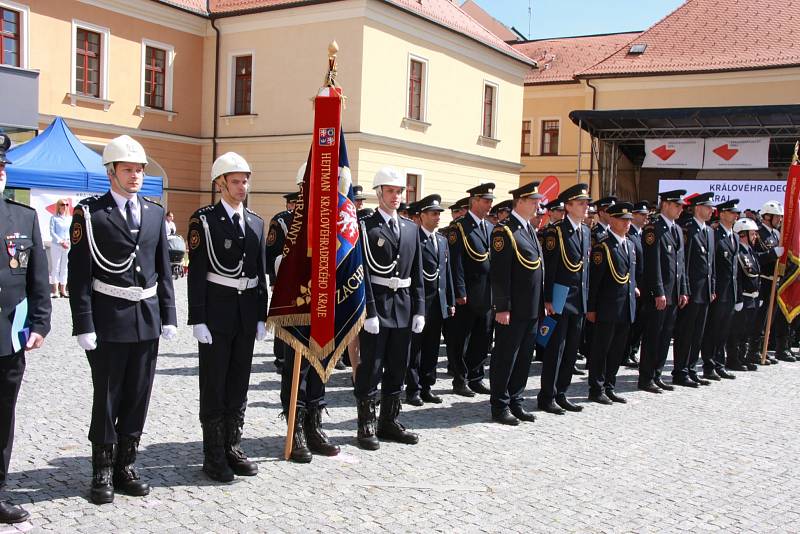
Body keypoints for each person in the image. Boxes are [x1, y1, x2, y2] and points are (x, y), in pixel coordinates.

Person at [68, 135, 177, 505]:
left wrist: (169, 314)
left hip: (146, 317)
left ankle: (126, 465)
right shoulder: (91, 215)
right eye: (128, 169)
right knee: (109, 395)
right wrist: (83, 323)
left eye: (140, 170)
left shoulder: (154, 212)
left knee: (138, 395)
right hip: (109, 318)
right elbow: (79, 275)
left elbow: (163, 267)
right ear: (111, 172)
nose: (135, 176)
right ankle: (101, 469)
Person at [187, 152, 268, 481]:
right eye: (235, 181)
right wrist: (198, 318)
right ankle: (213, 453)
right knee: (214, 384)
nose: (242, 186)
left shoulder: (256, 222)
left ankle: (233, 445)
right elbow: (197, 273)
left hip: (246, 313)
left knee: (238, 383)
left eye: (245, 180)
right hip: (217, 313)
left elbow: (260, 272)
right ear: (220, 184)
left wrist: (261, 315)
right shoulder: (204, 220)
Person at [0, 134, 51, 524]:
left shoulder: (23, 217)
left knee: (3, 415)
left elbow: (38, 279)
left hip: (8, 336)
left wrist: (40, 324)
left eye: (2, 167)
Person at [355, 167, 425, 450]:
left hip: (404, 306)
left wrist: (419, 309)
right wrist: (369, 311)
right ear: (379, 193)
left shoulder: (410, 228)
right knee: (371, 367)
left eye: (399, 192)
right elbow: (362, 271)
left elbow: (418, 272)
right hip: (379, 306)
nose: (396, 196)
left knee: (399, 365)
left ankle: (389, 421)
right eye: (390, 191)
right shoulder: (367, 226)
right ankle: (366, 425)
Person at [489, 182, 544, 425]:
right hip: (512, 309)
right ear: (520, 201)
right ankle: (500, 405)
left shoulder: (529, 229)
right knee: (505, 357)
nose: (537, 205)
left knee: (524, 358)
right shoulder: (504, 230)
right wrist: (502, 307)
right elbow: (500, 273)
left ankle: (516, 400)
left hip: (531, 307)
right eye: (533, 201)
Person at [537, 184, 591, 415]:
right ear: (568, 206)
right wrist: (548, 299)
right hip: (560, 297)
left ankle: (562, 392)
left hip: (578, 299)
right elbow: (549, 267)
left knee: (571, 350)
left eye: (586, 203)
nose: (585, 206)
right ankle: (547, 395)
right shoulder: (556, 232)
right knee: (555, 350)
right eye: (580, 203)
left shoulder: (586, 231)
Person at [405, 194, 454, 406]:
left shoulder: (442, 240)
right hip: (420, 303)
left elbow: (447, 272)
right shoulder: (414, 238)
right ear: (422, 216)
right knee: (415, 349)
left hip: (438, 303)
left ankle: (427, 386)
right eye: (433, 214)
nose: (437, 217)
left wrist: (450, 300)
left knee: (432, 347)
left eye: (438, 214)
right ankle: (413, 389)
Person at [447, 183, 495, 397]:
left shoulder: (491, 228)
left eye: (490, 201)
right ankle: (460, 379)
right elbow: (455, 262)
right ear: (474, 201)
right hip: (467, 293)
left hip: (487, 293)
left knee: (482, 338)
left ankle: (476, 376)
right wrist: (459, 291)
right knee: (461, 339)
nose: (489, 205)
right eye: (486, 201)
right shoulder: (459, 228)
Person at [586, 202, 637, 405]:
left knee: (617, 349)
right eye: (623, 220)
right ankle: (596, 388)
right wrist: (591, 307)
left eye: (629, 221)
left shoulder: (630, 245)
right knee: (601, 349)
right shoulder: (603, 246)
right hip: (607, 306)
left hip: (625, 305)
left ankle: (610, 385)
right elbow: (595, 281)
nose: (627, 224)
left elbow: (630, 277)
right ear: (613, 220)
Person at [638, 189, 688, 394]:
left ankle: (657, 374)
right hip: (659, 294)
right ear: (665, 204)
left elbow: (680, 264)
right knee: (653, 336)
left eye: (681, 206)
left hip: (673, 293)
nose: (680, 209)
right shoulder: (654, 228)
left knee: (666, 335)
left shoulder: (675, 229)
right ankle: (646, 377)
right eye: (677, 205)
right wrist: (659, 291)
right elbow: (653, 264)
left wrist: (683, 289)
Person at [672, 192, 717, 387]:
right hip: (691, 292)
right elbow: (685, 264)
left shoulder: (709, 232)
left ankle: (691, 368)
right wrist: (685, 290)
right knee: (685, 333)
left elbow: (711, 264)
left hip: (705, 292)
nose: (711, 211)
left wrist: (712, 287)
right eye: (708, 207)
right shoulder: (688, 230)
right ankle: (680, 371)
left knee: (698, 333)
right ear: (697, 208)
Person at [266, 165, 305, 373]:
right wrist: (273, 280)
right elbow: (272, 250)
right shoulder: (283, 220)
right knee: (284, 318)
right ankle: (281, 356)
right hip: (285, 277)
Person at [700, 199, 741, 378]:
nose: (735, 216)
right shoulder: (716, 236)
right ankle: (709, 365)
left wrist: (737, 294)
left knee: (724, 330)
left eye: (736, 213)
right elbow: (712, 265)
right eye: (732, 212)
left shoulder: (735, 237)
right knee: (713, 330)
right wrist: (713, 289)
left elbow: (735, 270)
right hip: (718, 291)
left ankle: (719, 364)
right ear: (722, 214)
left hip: (730, 291)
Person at [755, 200, 788, 363]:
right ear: (767, 216)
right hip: (763, 281)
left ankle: (763, 349)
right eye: (777, 217)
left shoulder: (776, 234)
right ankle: (753, 350)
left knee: (770, 318)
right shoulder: (758, 232)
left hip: (774, 281)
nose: (780, 220)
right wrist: (771, 254)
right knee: (760, 317)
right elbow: (754, 259)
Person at [727, 218, 762, 371]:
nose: (755, 237)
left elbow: (757, 275)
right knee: (737, 332)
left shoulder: (750, 251)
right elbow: (738, 277)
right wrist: (739, 298)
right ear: (742, 235)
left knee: (747, 331)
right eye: (752, 234)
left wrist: (758, 296)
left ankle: (743, 357)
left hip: (752, 298)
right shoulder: (738, 251)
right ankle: (734, 359)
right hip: (743, 297)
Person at [622, 201, 648, 368]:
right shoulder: (629, 234)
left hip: (642, 286)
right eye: (642, 215)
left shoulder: (641, 234)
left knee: (639, 323)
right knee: (631, 324)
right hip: (634, 286)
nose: (646, 217)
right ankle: (626, 352)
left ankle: (632, 350)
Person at [49, 199, 71, 297]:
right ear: (58, 206)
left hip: (67, 245)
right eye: (62, 204)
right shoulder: (53, 218)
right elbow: (52, 232)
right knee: (56, 267)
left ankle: (63, 290)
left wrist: (67, 241)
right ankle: (55, 291)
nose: (65, 206)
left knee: (64, 268)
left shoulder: (70, 218)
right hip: (56, 245)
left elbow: (73, 231)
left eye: (66, 204)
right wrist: (61, 241)